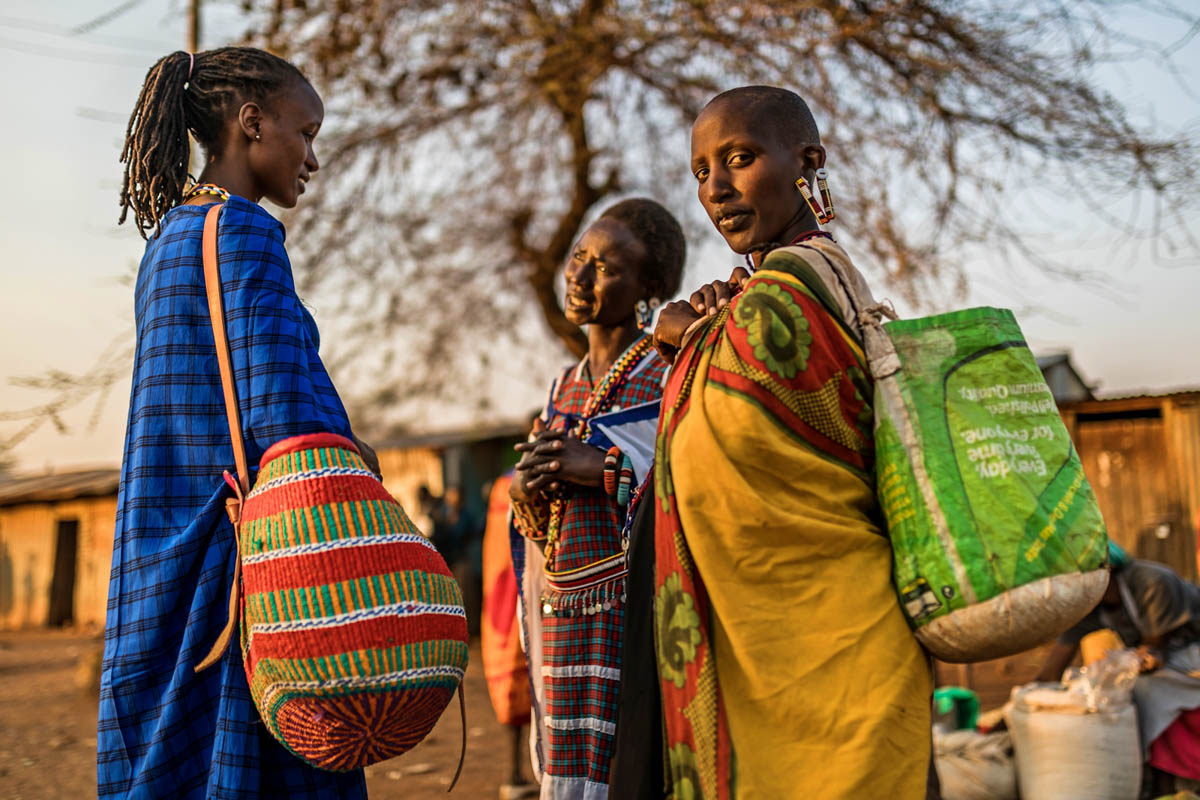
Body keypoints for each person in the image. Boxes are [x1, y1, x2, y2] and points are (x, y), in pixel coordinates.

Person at [643, 86, 934, 798]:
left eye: (739, 159)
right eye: (700, 172)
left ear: (806, 163)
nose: (716, 188)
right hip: (767, 649)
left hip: (837, 646)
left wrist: (684, 333)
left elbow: (756, 372)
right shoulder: (755, 292)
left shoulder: (803, 280)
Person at [100, 47, 375, 799]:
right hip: (238, 567)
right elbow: (286, 413)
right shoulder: (245, 233)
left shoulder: (167, 244)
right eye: (306, 132)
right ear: (252, 123)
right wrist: (357, 462)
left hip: (158, 560)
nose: (313, 157)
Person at [509, 198, 686, 799]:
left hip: (632, 617)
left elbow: (689, 487)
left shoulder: (669, 375)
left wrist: (604, 466)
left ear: (648, 287)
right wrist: (524, 488)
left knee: (628, 763)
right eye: (579, 257)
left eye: (606, 267)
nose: (579, 276)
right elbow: (535, 523)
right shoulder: (563, 384)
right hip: (562, 616)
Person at [1037, 541, 1200, 791]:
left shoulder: (1153, 582)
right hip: (1163, 662)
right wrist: (1027, 699)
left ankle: (1159, 782)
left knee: (1142, 691)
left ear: (1105, 571)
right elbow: (1053, 667)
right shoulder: (1089, 607)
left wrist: (1134, 662)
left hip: (1190, 653)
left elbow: (1155, 651)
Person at [481, 472, 539, 800]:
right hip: (521, 593)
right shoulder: (522, 481)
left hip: (502, 598)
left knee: (516, 689)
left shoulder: (502, 484)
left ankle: (517, 772)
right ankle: (521, 773)